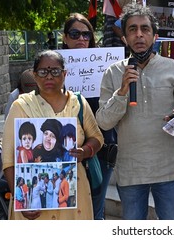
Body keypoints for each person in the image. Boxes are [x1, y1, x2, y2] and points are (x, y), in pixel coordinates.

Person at [96, 2, 174, 220]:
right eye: (132, 29)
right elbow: (103, 122)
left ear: (155, 36)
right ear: (124, 38)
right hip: (131, 171)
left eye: (145, 29)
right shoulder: (113, 73)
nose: (139, 35)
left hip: (169, 169)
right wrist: (122, 91)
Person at [2, 49, 103, 220]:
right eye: (43, 71)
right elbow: (8, 160)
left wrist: (85, 151)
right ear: (35, 75)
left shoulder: (77, 103)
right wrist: (21, 201)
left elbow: (97, 138)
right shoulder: (21, 106)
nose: (49, 76)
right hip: (33, 207)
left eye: (55, 71)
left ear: (65, 74)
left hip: (74, 198)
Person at [62, 13, 117, 219]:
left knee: (95, 212)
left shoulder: (106, 66)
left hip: (101, 150)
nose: (81, 39)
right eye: (75, 34)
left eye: (86, 35)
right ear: (65, 37)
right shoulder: (52, 66)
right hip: (64, 152)